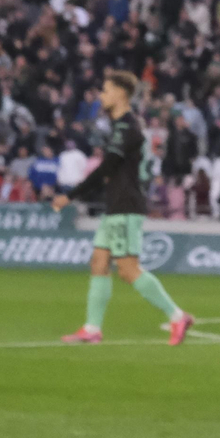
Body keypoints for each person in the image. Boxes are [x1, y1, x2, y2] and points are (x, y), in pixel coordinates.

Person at [52, 70, 195, 346]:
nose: (102, 96)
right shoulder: (123, 126)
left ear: (120, 93)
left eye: (106, 90)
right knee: (99, 262)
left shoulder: (128, 128)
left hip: (126, 205)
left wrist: (71, 196)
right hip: (116, 204)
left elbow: (107, 168)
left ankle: (177, 316)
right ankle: (92, 328)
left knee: (129, 269)